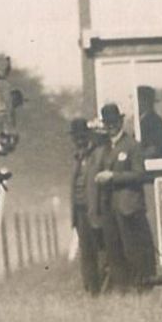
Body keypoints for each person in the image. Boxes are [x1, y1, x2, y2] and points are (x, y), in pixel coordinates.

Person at [95, 103, 156, 291]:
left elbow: (140, 174)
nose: (111, 126)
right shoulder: (105, 147)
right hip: (110, 207)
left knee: (134, 249)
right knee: (114, 250)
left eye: (114, 122)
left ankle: (140, 287)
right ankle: (123, 289)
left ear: (120, 122)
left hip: (129, 205)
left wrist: (113, 177)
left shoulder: (132, 146)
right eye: (107, 123)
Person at [69, 117, 105, 295]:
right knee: (86, 250)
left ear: (88, 135)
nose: (79, 140)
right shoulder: (78, 157)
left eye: (82, 136)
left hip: (95, 209)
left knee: (100, 249)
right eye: (76, 137)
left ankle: (103, 286)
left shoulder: (98, 154)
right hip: (80, 210)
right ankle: (91, 289)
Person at [137, 85, 162, 159]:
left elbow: (157, 148)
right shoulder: (141, 121)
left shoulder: (154, 122)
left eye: (138, 100)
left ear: (145, 101)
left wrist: (139, 156)